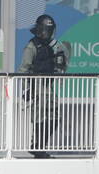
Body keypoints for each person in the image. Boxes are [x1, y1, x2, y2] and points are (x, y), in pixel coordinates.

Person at [19, 13, 70, 158]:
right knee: (39, 118)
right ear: (38, 29)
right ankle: (37, 148)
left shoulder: (55, 44)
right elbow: (24, 69)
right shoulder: (32, 46)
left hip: (49, 87)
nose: (46, 33)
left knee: (55, 117)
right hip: (37, 86)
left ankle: (40, 146)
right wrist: (26, 89)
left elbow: (62, 64)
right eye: (44, 30)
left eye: (49, 30)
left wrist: (61, 61)